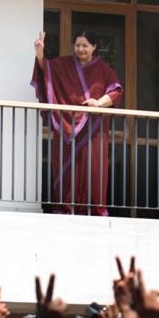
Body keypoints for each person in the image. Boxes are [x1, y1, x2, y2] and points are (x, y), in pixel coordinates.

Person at [31, 30, 123, 216]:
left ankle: (93, 211)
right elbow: (45, 72)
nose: (80, 49)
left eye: (85, 45)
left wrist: (98, 103)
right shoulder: (63, 65)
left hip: (94, 129)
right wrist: (39, 53)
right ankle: (65, 209)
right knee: (65, 168)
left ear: (94, 47)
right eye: (78, 45)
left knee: (93, 168)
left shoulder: (103, 69)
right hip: (66, 127)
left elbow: (116, 91)